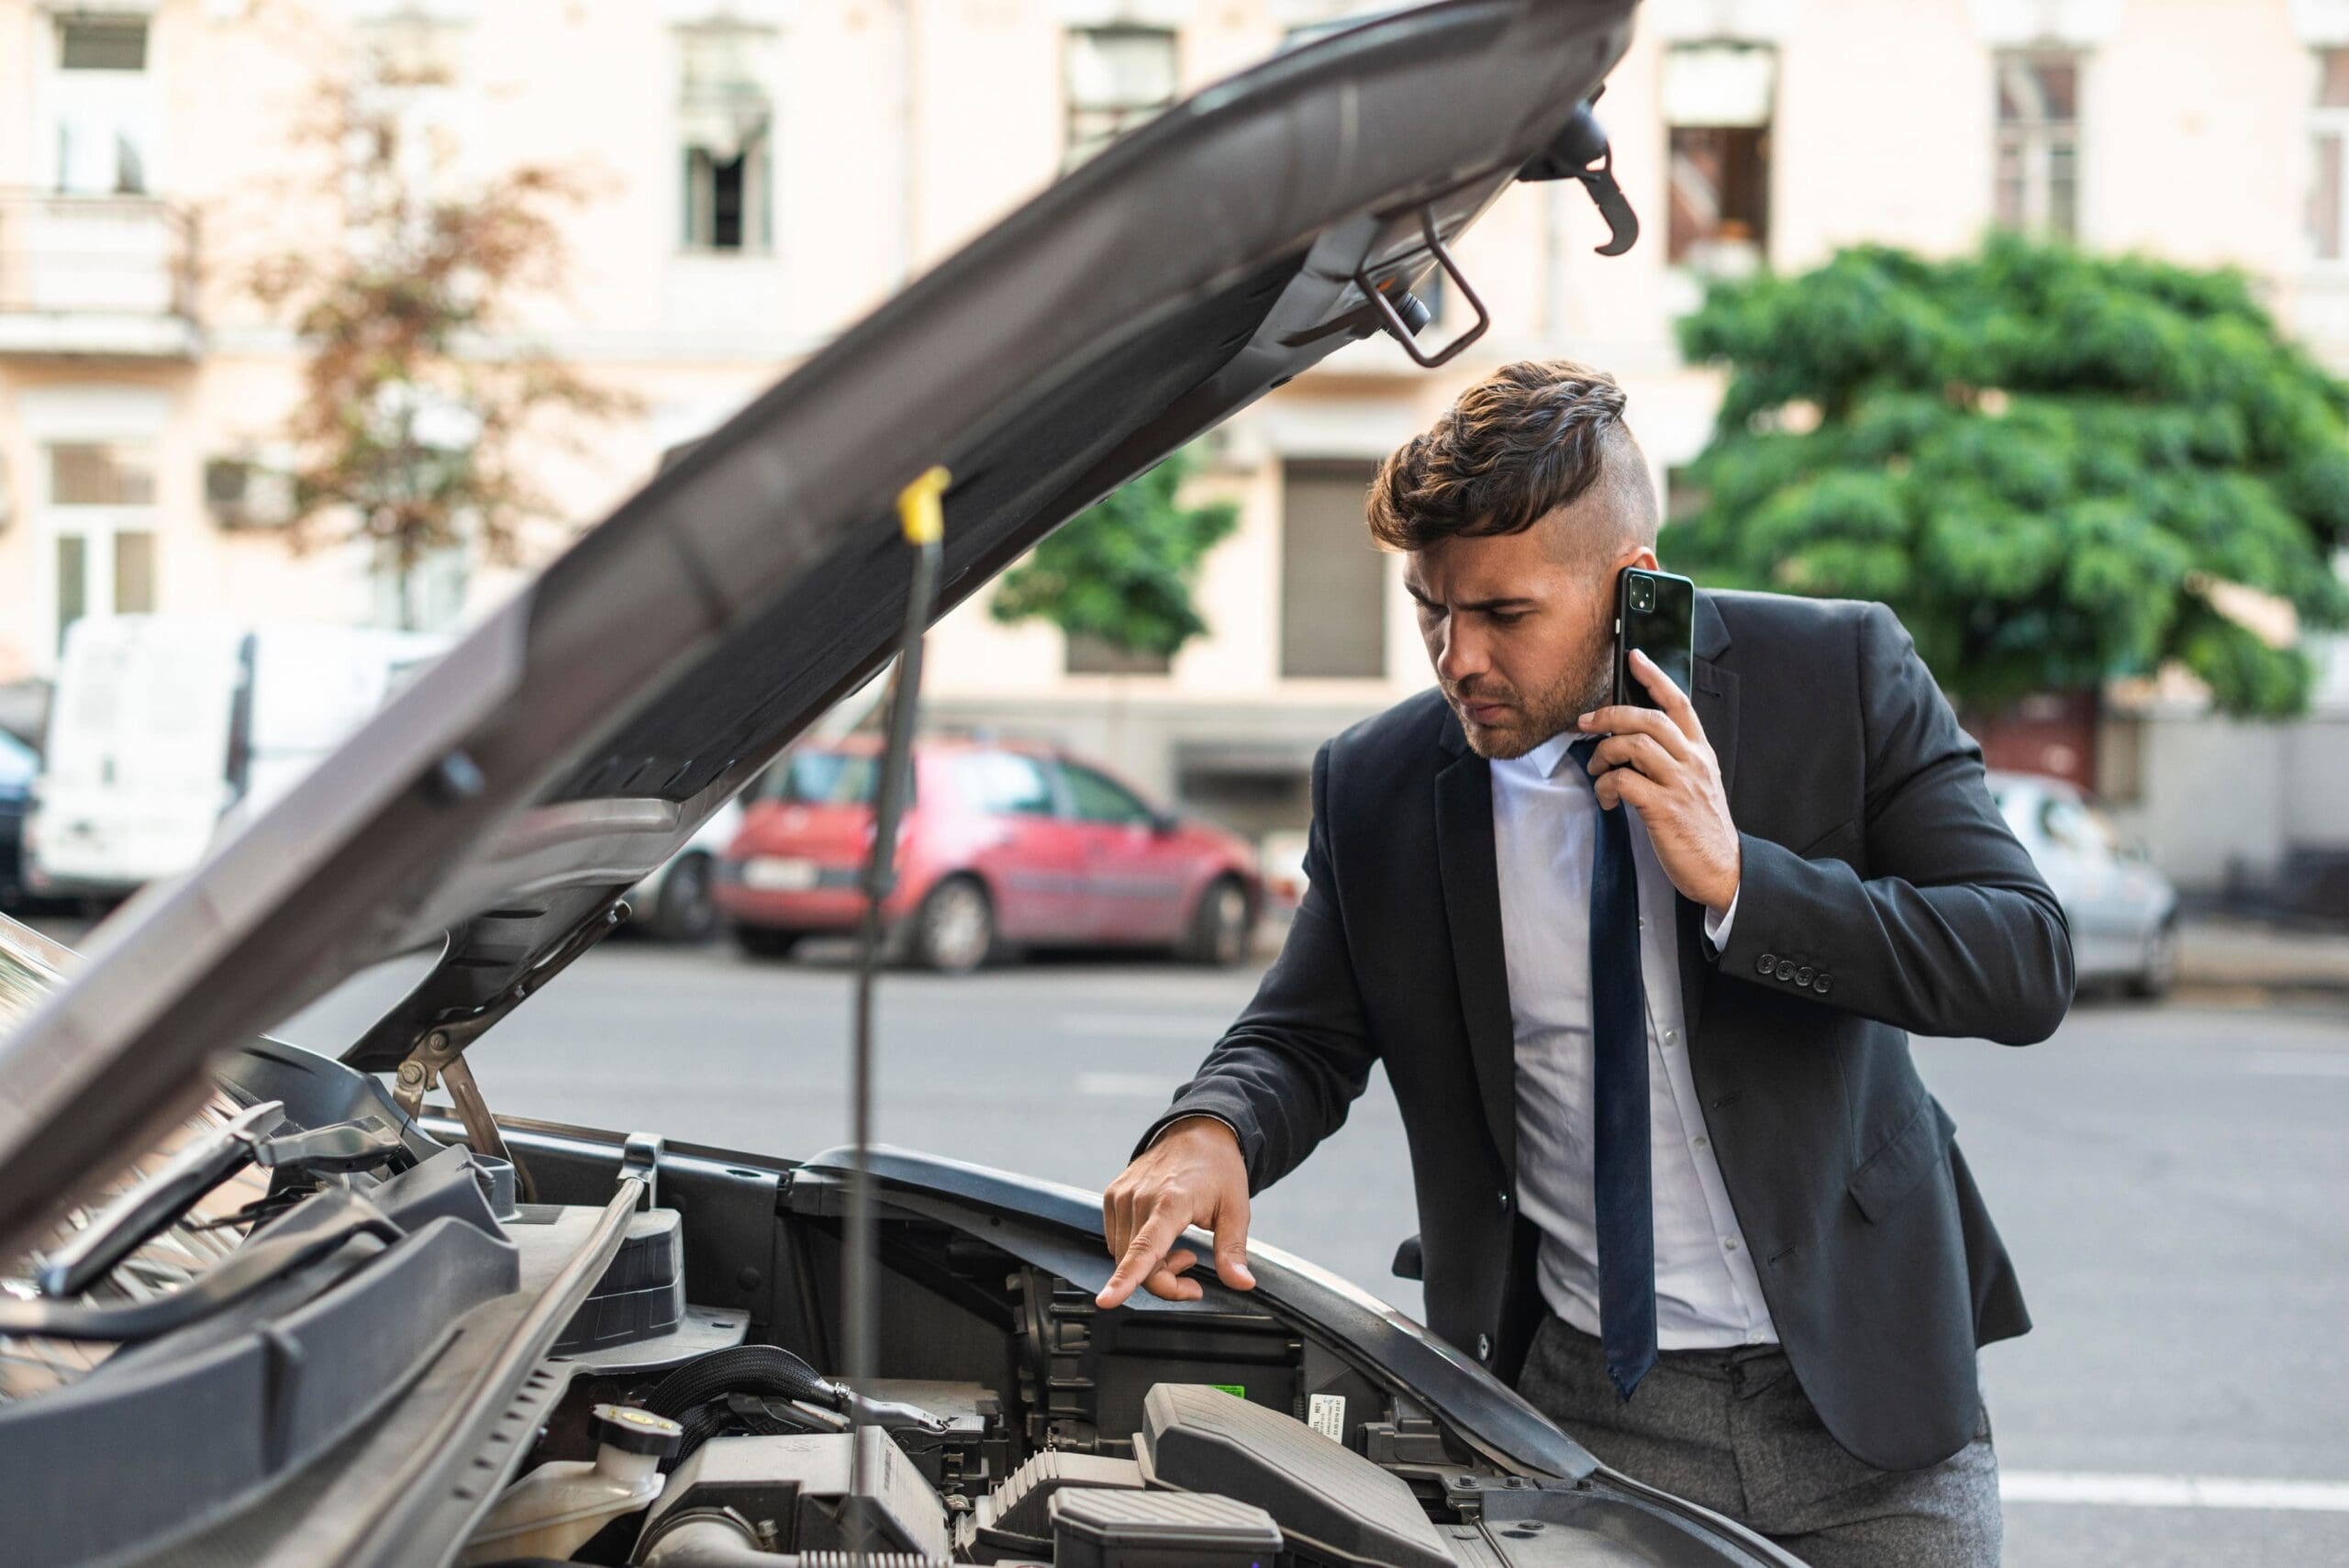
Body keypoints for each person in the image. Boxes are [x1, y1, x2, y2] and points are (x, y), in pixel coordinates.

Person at [1096, 361, 2073, 1566]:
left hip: (1871, 1405)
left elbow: (2023, 956)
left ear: (1635, 586)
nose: (1457, 657)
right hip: (1582, 1418)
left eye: (1504, 615)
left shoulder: (1838, 678)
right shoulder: (1384, 782)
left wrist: (1741, 880)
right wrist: (1209, 1129)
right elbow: (1300, 1033)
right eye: (1430, 610)